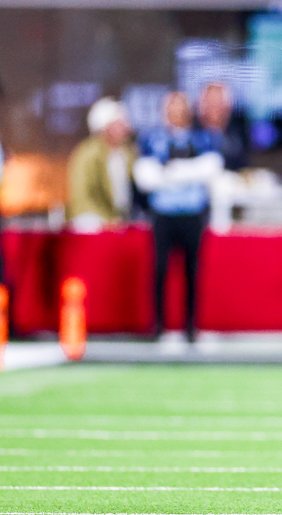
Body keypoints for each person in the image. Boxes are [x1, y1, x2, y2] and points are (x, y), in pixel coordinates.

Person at [134, 91, 223, 343]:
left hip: (192, 213)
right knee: (160, 270)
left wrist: (172, 174)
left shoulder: (202, 138)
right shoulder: (152, 139)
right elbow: (145, 177)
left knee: (192, 271)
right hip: (163, 213)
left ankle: (190, 327)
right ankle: (159, 325)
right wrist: (187, 173)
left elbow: (211, 168)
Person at [66, 97, 137, 232]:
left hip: (121, 220)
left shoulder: (129, 153)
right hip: (95, 221)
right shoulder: (88, 154)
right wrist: (107, 221)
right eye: (119, 124)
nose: (125, 128)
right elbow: (83, 195)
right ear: (105, 127)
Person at [196, 82, 248, 172]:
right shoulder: (193, 133)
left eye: (218, 102)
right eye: (210, 102)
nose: (214, 108)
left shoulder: (239, 131)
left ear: (228, 106)